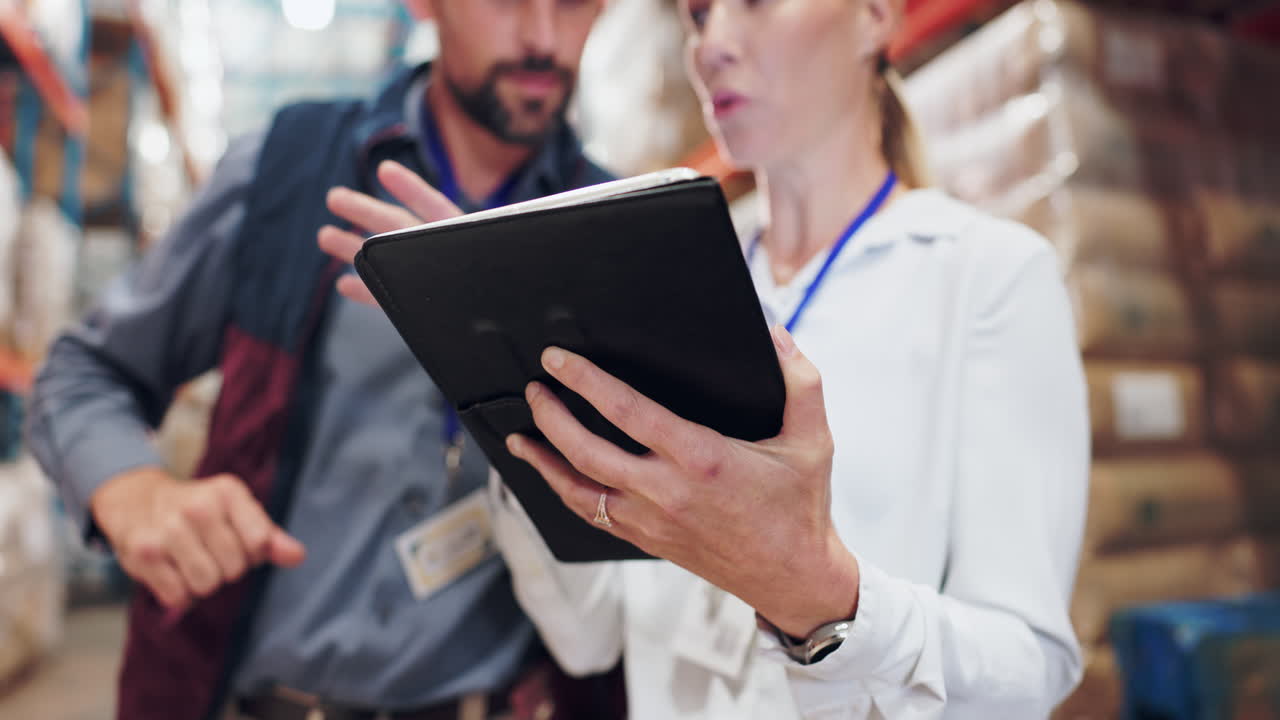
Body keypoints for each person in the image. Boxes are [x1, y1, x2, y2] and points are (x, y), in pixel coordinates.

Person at [321, 0, 1090, 717]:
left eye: (752, 0)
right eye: (695, 13)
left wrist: (822, 597)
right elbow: (587, 639)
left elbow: (1032, 668)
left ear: (878, 15)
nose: (711, 43)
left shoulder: (987, 278)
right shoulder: (651, 275)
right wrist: (497, 369)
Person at [24, 2, 618, 719]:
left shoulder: (613, 229)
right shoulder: (287, 170)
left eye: (576, 3)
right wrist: (132, 489)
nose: (543, 40)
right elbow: (82, 372)